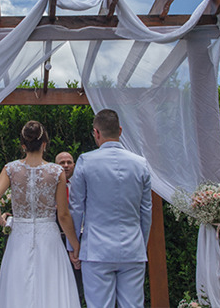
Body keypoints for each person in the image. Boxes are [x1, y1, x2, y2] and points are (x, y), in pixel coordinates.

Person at [0, 121, 81, 308]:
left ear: (23, 145)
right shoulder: (56, 171)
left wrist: (3, 222)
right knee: (51, 286)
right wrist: (75, 245)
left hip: (19, 235)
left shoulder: (11, 169)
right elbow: (63, 215)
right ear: (44, 144)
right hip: (49, 237)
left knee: (18, 287)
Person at [69, 109, 152, 308]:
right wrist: (141, 243)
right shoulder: (141, 164)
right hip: (133, 249)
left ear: (96, 133)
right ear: (120, 130)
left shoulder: (85, 161)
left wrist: (74, 245)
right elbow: (146, 212)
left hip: (96, 250)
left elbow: (76, 207)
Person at [56, 151, 85, 304]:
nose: (66, 165)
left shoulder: (81, 185)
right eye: (62, 163)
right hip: (57, 239)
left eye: (69, 162)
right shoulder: (49, 187)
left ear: (74, 165)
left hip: (80, 239)